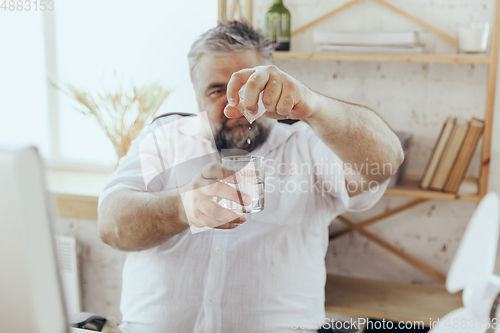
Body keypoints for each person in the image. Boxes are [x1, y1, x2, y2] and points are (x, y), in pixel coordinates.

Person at [97, 20, 404, 333]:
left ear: (273, 83)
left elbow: (386, 159)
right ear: (196, 96)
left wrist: (314, 105)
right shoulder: (166, 136)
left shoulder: (307, 145)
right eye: (217, 90)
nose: (235, 105)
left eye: (246, 87)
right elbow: (111, 224)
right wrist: (182, 207)